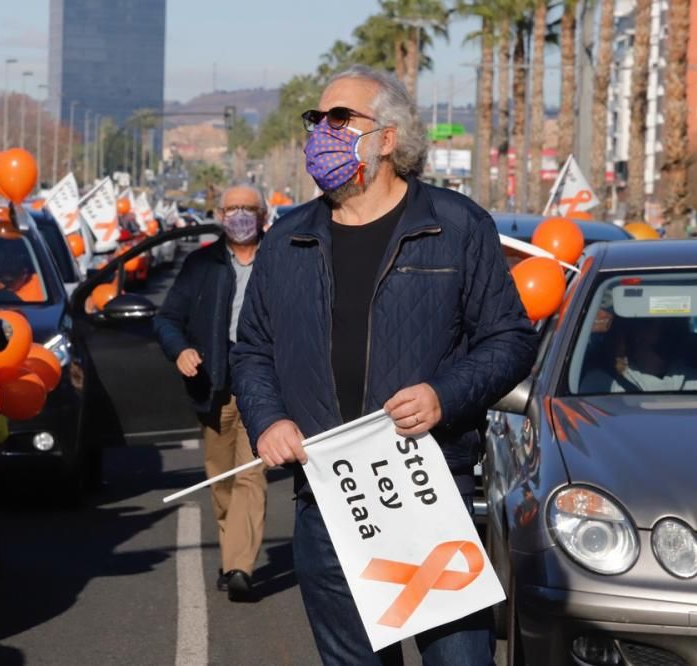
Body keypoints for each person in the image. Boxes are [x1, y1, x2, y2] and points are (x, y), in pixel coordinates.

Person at [230, 65, 539, 664]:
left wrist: (444, 395)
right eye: (315, 120)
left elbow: (510, 340)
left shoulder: (455, 227)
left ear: (388, 138)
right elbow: (252, 351)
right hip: (326, 500)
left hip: (428, 491)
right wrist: (268, 420)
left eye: (339, 119)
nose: (321, 131)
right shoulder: (286, 239)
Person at [154, 184, 269, 603]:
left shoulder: (280, 261)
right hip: (215, 385)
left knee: (251, 474)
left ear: (263, 216)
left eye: (248, 209)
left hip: (263, 385)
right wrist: (180, 350)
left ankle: (240, 566)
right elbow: (167, 318)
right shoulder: (201, 264)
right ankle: (232, 552)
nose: (240, 215)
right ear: (221, 214)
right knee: (221, 478)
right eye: (232, 208)